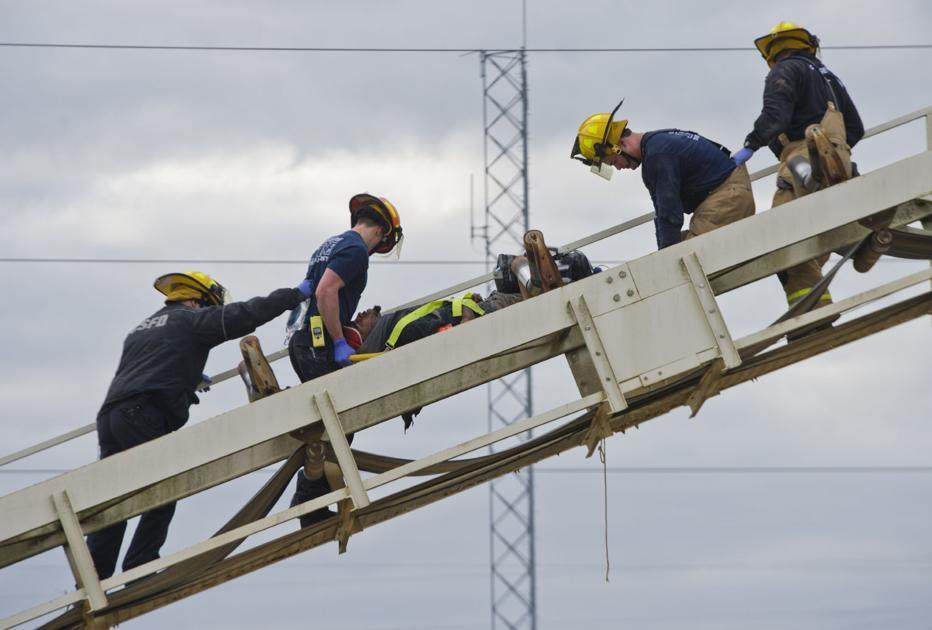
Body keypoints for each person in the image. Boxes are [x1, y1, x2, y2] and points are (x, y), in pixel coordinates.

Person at [86, 271, 313, 579]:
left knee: (113, 502)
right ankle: (140, 566)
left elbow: (152, 367)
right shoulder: (190, 320)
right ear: (197, 301)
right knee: (165, 488)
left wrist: (188, 378)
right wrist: (293, 295)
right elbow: (243, 315)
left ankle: (94, 579)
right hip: (143, 413)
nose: (212, 314)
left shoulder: (143, 328)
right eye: (210, 308)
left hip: (111, 417)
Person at [732, 21, 864, 313]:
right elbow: (856, 128)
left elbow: (775, 116)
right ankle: (863, 243)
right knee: (815, 235)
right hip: (840, 162)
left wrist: (751, 145)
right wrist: (836, 150)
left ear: (771, 53)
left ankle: (812, 312)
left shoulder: (784, 70)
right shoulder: (831, 78)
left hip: (801, 162)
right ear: (808, 45)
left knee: (782, 238)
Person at [288, 193, 403, 526]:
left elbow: (311, 291)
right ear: (382, 232)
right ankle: (309, 504)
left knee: (330, 425)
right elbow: (325, 292)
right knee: (338, 426)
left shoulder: (331, 243)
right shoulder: (355, 251)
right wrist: (340, 341)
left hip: (304, 341)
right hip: (318, 343)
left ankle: (309, 500)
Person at [572, 101, 756, 250]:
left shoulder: (657, 156)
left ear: (620, 146)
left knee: (690, 263)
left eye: (613, 162)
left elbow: (670, 213)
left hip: (726, 198)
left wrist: (666, 258)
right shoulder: (656, 143)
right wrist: (664, 251)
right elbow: (662, 213)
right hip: (726, 194)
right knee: (678, 256)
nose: (618, 168)